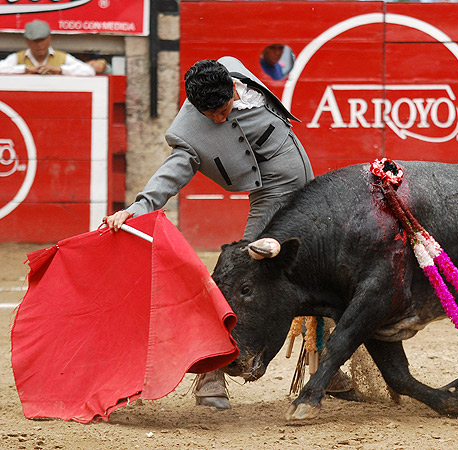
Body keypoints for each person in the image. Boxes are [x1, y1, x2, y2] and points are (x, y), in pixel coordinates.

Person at [105, 56, 358, 410]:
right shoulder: (189, 131)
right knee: (243, 272)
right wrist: (138, 208)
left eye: (224, 109)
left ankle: (327, 369)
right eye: (214, 117)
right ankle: (210, 375)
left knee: (313, 274)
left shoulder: (231, 67)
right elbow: (172, 171)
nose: (221, 119)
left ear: (233, 87)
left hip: (307, 194)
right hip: (273, 195)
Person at [0, 20, 95, 76]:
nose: (39, 45)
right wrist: (25, 69)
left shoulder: (62, 57)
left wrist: (59, 69)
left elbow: (89, 71)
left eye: (42, 40)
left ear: (50, 39)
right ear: (27, 42)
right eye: (35, 41)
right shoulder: (18, 57)